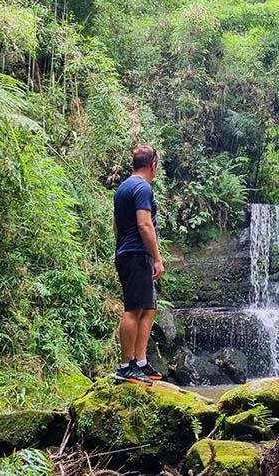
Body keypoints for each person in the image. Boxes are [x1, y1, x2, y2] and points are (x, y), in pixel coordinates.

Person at [112, 145, 166, 385]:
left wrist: (123, 247)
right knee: (134, 309)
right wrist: (157, 258)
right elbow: (145, 225)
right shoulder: (143, 188)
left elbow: (115, 224)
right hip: (136, 253)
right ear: (153, 165)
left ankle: (140, 362)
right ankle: (126, 366)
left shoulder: (123, 188)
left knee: (148, 307)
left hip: (129, 252)